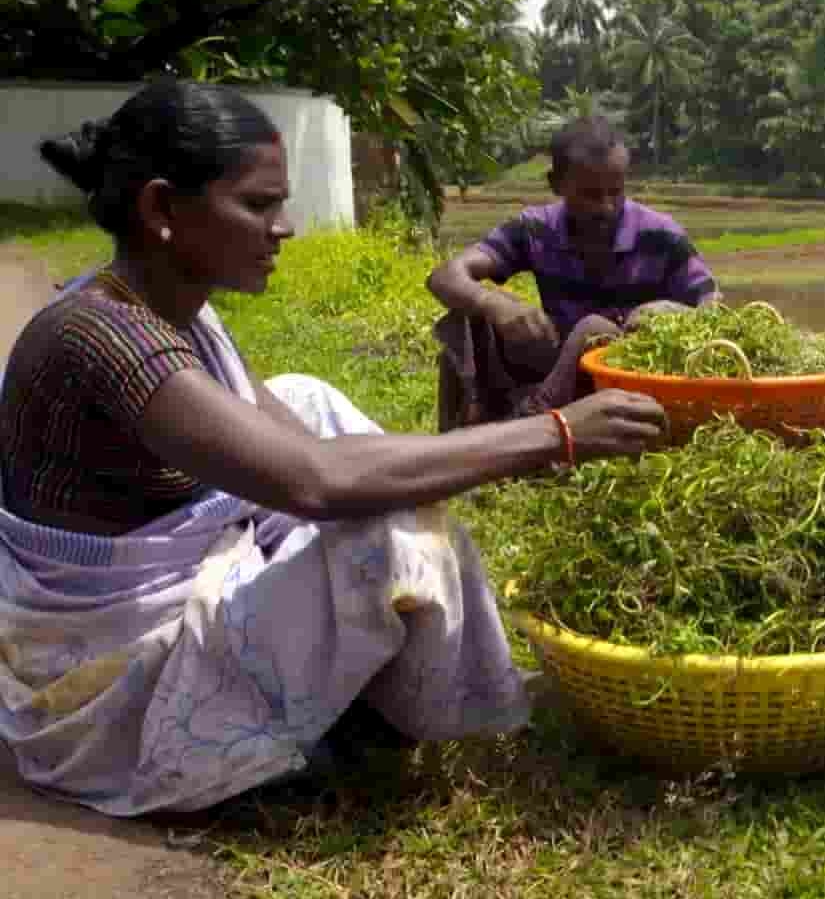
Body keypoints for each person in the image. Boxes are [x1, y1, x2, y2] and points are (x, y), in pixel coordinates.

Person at [0, 80, 670, 817]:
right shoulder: (106, 336)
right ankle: (355, 728)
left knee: (310, 399)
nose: (282, 227)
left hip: (165, 586)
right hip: (105, 674)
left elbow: (304, 446)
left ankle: (352, 684)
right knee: (392, 531)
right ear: (161, 209)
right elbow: (316, 480)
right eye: (257, 206)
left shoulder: (171, 313)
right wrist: (560, 433)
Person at [427, 116, 721, 431]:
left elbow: (713, 305)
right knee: (466, 323)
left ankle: (536, 416)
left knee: (593, 328)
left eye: (616, 192)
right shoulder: (537, 229)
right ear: (557, 185)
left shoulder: (661, 235)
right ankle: (458, 435)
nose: (607, 206)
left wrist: (663, 314)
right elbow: (445, 276)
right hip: (562, 361)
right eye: (591, 195)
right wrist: (494, 303)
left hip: (632, 370)